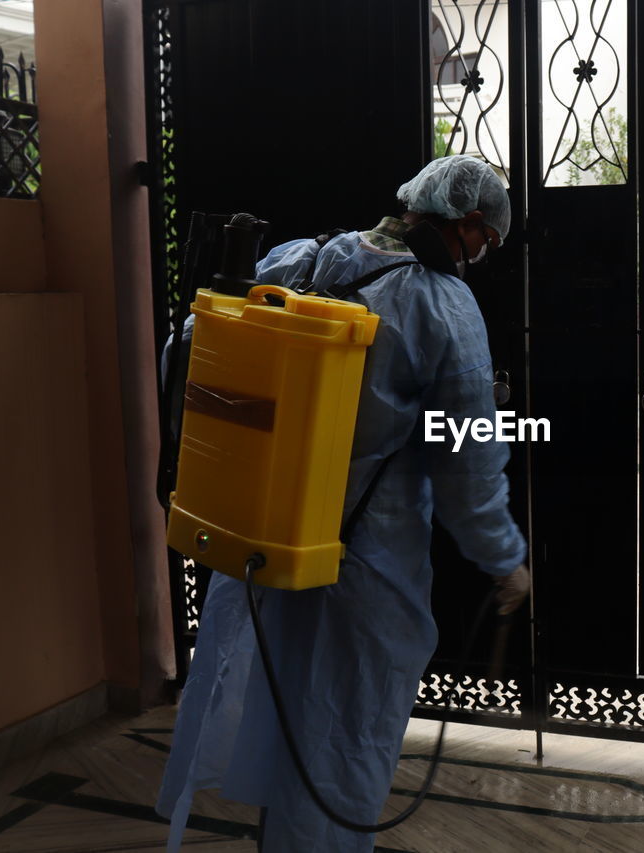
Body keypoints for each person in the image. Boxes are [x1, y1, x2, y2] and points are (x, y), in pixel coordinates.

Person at [156, 155, 530, 852]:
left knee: (279, 702)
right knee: (345, 722)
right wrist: (503, 559)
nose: (483, 256)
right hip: (367, 561)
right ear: (468, 221)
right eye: (487, 242)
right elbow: (469, 460)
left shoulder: (303, 259)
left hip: (266, 536)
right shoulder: (444, 305)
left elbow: (188, 353)